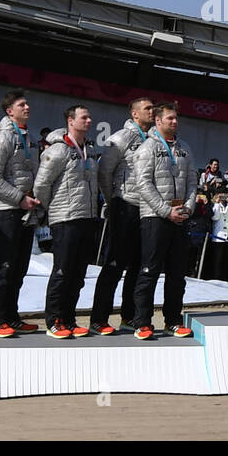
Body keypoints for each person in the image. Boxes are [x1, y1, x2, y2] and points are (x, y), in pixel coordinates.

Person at [130, 103, 197, 339]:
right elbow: (143, 185)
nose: (175, 122)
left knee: (177, 273)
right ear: (158, 121)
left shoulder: (185, 148)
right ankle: (142, 322)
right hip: (155, 218)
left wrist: (188, 208)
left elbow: (192, 181)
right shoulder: (147, 148)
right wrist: (165, 211)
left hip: (180, 218)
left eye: (176, 118)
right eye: (170, 118)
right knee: (149, 271)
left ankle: (173, 321)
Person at [31, 105, 99, 339]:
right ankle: (54, 320)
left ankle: (69, 318)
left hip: (87, 217)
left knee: (78, 274)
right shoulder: (58, 150)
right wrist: (50, 211)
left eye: (89, 117)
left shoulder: (88, 149)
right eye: (84, 117)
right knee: (62, 271)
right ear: (71, 121)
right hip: (65, 219)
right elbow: (41, 184)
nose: (89, 120)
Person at [91, 97, 154, 334]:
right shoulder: (120, 138)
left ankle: (129, 317)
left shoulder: (153, 139)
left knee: (139, 266)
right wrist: (113, 200)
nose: (152, 111)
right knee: (115, 265)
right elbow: (104, 173)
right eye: (147, 108)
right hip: (125, 205)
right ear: (135, 114)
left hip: (147, 209)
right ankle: (99, 319)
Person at [0, 90, 40, 338]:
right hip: (7, 209)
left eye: (27, 104)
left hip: (27, 209)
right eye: (21, 105)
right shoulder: (1, 138)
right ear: (10, 111)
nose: (27, 108)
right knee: (5, 265)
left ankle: (12, 316)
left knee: (20, 266)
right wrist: (19, 198)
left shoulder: (29, 138)